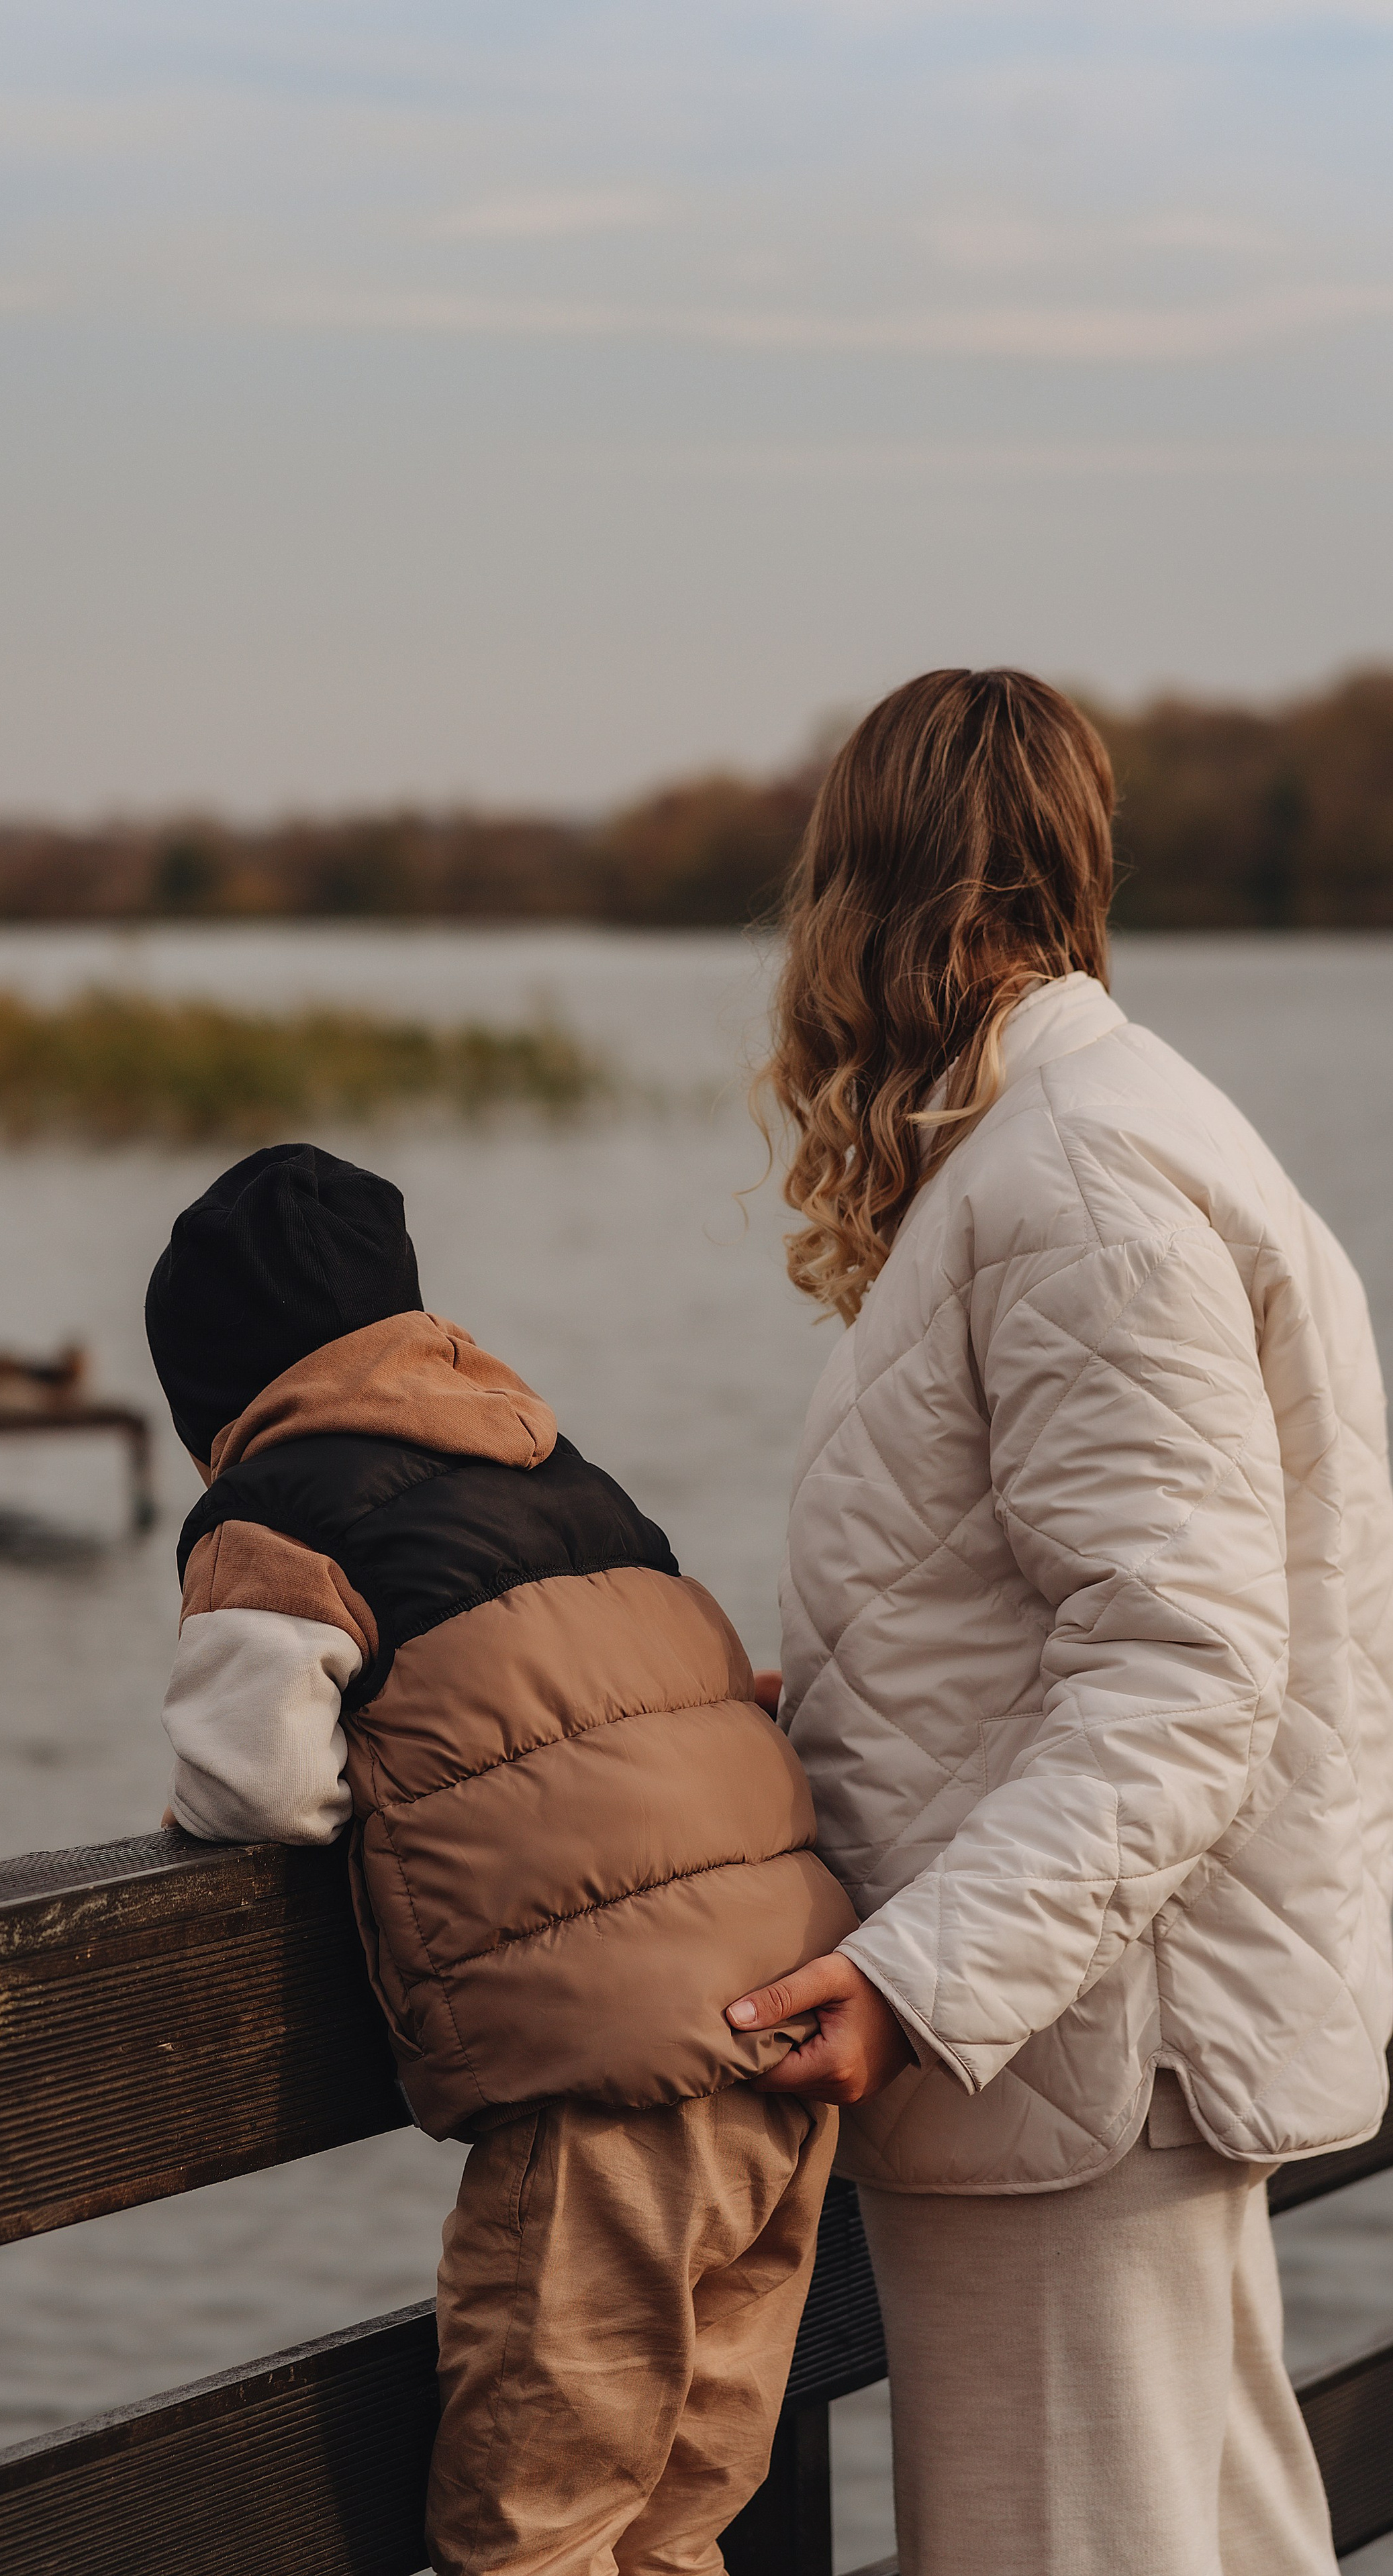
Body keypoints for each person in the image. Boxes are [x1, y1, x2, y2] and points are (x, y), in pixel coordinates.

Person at [722, 667, 1393, 2576]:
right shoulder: (1101, 1130)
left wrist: (917, 1978)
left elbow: (1185, 1667)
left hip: (1079, 2064)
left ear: (868, 889)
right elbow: (1076, 1600)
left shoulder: (1077, 1171)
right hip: (1103, 2054)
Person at [143, 1142, 856, 2576]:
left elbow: (253, 1786)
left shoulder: (275, 1511)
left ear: (213, 1395)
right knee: (675, 2515)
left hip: (610, 2091)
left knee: (531, 2523)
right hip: (786, 2029)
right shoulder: (563, 1470)